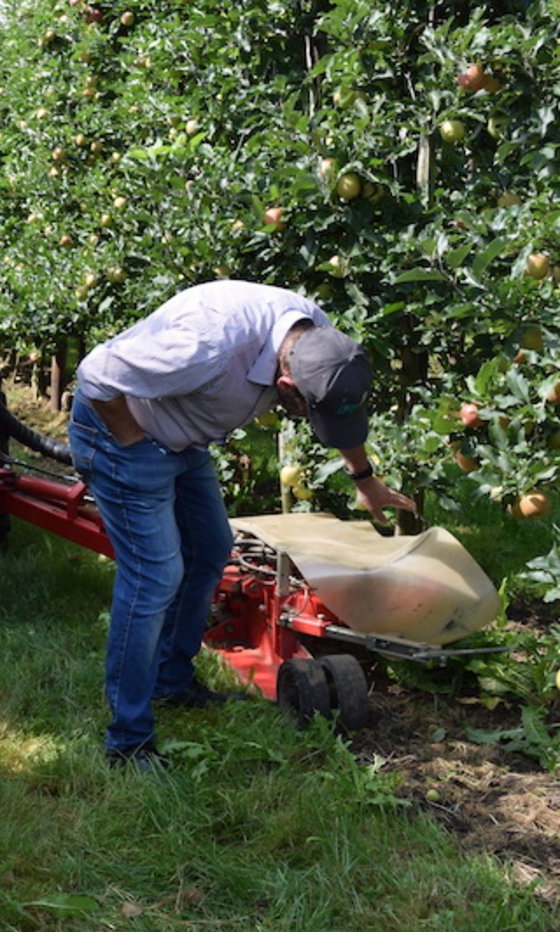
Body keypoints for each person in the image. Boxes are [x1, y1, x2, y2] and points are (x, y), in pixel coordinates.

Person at [67, 280, 416, 768]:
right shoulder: (205, 347)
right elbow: (95, 375)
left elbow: (340, 405)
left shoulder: (320, 341)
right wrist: (136, 443)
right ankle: (128, 740)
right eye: (301, 410)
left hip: (182, 438)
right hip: (126, 434)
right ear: (287, 385)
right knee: (154, 577)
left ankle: (171, 682)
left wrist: (365, 478)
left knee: (211, 549)